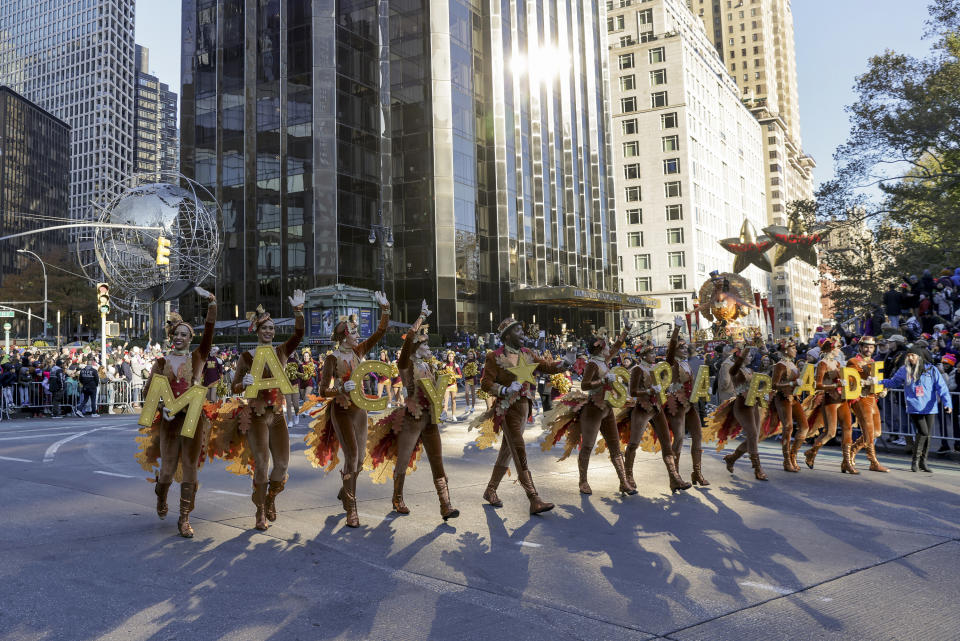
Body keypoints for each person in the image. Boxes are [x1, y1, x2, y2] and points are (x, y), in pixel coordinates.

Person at [366, 301, 458, 520]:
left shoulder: (429, 365)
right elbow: (408, 339)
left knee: (437, 460)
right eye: (424, 343)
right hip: (412, 418)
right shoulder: (406, 364)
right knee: (403, 459)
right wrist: (422, 316)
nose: (428, 347)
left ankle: (445, 504)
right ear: (415, 346)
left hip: (430, 418)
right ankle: (397, 498)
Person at [141, 293, 217, 537]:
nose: (180, 338)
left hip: (193, 419)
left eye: (185, 334)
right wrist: (162, 405)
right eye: (177, 334)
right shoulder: (161, 363)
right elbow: (147, 393)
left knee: (190, 469)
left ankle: (184, 518)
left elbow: (209, 333)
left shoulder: (197, 358)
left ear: (190, 338)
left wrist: (212, 305)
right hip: (169, 421)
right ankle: (161, 495)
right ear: (171, 337)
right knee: (167, 470)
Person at [477, 317, 567, 514]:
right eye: (518, 331)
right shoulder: (494, 356)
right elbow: (485, 383)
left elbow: (547, 367)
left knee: (507, 452)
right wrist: (503, 390)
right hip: (507, 410)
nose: (523, 334)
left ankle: (490, 490)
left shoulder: (527, 353)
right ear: (507, 335)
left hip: (524, 409)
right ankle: (534, 498)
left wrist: (565, 362)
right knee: (519, 450)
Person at [231, 291, 305, 530]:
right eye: (265, 328)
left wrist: (298, 311)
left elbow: (299, 334)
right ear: (257, 330)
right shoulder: (246, 357)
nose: (269, 332)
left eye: (272, 328)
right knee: (262, 464)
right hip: (256, 417)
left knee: (282, 465)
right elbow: (234, 386)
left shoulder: (281, 352)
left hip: (277, 416)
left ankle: (270, 498)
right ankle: (260, 511)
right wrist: (245, 384)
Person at [316, 292, 391, 528]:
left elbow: (380, 333)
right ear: (344, 336)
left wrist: (385, 309)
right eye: (354, 332)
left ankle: (344, 490)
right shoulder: (331, 359)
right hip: (341, 410)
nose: (358, 335)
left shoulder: (359, 352)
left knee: (359, 461)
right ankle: (352, 508)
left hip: (360, 409)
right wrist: (338, 388)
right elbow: (321, 390)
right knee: (351, 456)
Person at [568, 323, 636, 496]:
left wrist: (626, 330)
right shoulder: (592, 364)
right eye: (606, 345)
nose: (609, 348)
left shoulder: (604, 361)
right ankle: (583, 481)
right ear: (599, 350)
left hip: (606, 408)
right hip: (593, 409)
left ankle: (623, 482)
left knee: (615, 445)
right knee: (588, 446)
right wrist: (603, 382)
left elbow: (616, 346)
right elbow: (584, 385)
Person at [628, 342, 690, 492]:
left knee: (667, 444)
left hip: (656, 408)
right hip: (642, 409)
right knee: (634, 443)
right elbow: (633, 392)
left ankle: (674, 478)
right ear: (642, 355)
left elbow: (668, 361)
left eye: (654, 353)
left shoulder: (656, 369)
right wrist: (648, 392)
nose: (654, 356)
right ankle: (627, 477)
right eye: (651, 353)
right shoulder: (637, 369)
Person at [881, 346, 953, 472]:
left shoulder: (931, 369)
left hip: (930, 407)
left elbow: (942, 387)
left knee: (927, 435)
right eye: (908, 355)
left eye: (912, 355)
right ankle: (915, 460)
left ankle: (923, 462)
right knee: (923, 432)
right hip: (914, 406)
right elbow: (893, 382)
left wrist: (947, 403)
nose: (910, 358)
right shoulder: (904, 370)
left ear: (919, 357)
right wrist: (878, 382)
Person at [664, 318, 710, 487]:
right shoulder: (671, 361)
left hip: (690, 403)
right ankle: (674, 477)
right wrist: (676, 328)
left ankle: (697, 473)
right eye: (681, 347)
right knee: (679, 438)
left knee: (698, 436)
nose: (684, 349)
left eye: (685, 347)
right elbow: (671, 347)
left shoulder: (687, 363)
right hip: (677, 403)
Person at [803, 339, 857, 473]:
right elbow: (817, 385)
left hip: (841, 399)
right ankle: (811, 452)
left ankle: (847, 462)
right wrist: (835, 385)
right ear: (831, 350)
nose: (839, 350)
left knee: (848, 428)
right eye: (837, 348)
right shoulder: (822, 364)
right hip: (830, 400)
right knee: (830, 432)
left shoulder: (838, 363)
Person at [847, 336, 889, 473]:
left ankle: (853, 450)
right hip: (860, 399)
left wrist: (882, 389)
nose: (868, 349)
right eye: (866, 346)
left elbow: (877, 382)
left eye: (871, 347)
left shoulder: (873, 362)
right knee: (869, 431)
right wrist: (867, 382)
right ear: (860, 347)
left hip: (872, 398)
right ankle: (873, 462)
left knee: (877, 432)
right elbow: (852, 382)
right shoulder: (853, 361)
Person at [769, 340, 809, 472]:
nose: (796, 350)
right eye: (793, 348)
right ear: (786, 350)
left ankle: (793, 455)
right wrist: (791, 384)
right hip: (782, 398)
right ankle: (786, 461)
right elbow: (774, 385)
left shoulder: (792, 363)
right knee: (788, 427)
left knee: (804, 427)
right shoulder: (780, 365)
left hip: (794, 398)